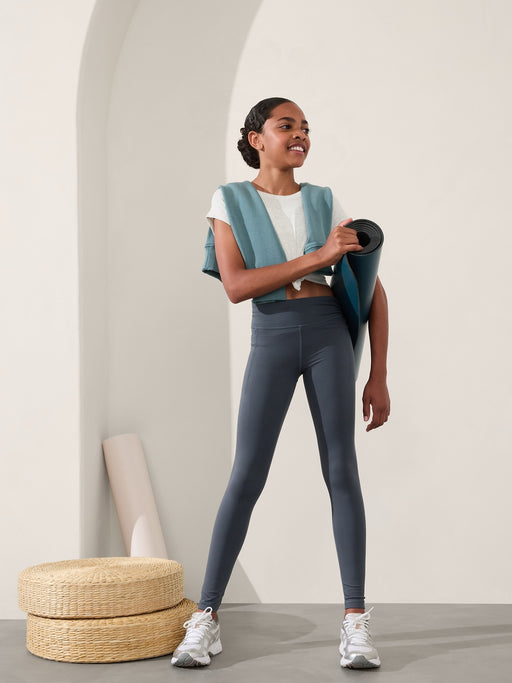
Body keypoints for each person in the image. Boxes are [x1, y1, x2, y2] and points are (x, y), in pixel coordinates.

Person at [171, 97, 390, 670]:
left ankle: (355, 621)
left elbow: (372, 288)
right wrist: (317, 257)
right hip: (270, 334)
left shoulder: (324, 200)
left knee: (341, 470)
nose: (300, 135)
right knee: (246, 475)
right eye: (286, 126)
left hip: (328, 335)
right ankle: (206, 617)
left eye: (306, 128)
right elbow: (237, 286)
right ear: (256, 139)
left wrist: (378, 374)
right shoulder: (229, 199)